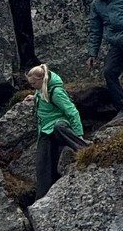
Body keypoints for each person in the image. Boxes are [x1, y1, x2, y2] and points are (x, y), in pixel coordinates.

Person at [26, 63, 90, 199]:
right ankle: (42, 199)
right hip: (45, 130)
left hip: (58, 125)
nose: (31, 85)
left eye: (33, 83)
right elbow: (40, 94)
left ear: (41, 80)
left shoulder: (56, 92)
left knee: (59, 127)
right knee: (42, 165)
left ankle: (85, 149)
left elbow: (72, 112)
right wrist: (34, 97)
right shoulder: (40, 89)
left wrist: (79, 134)